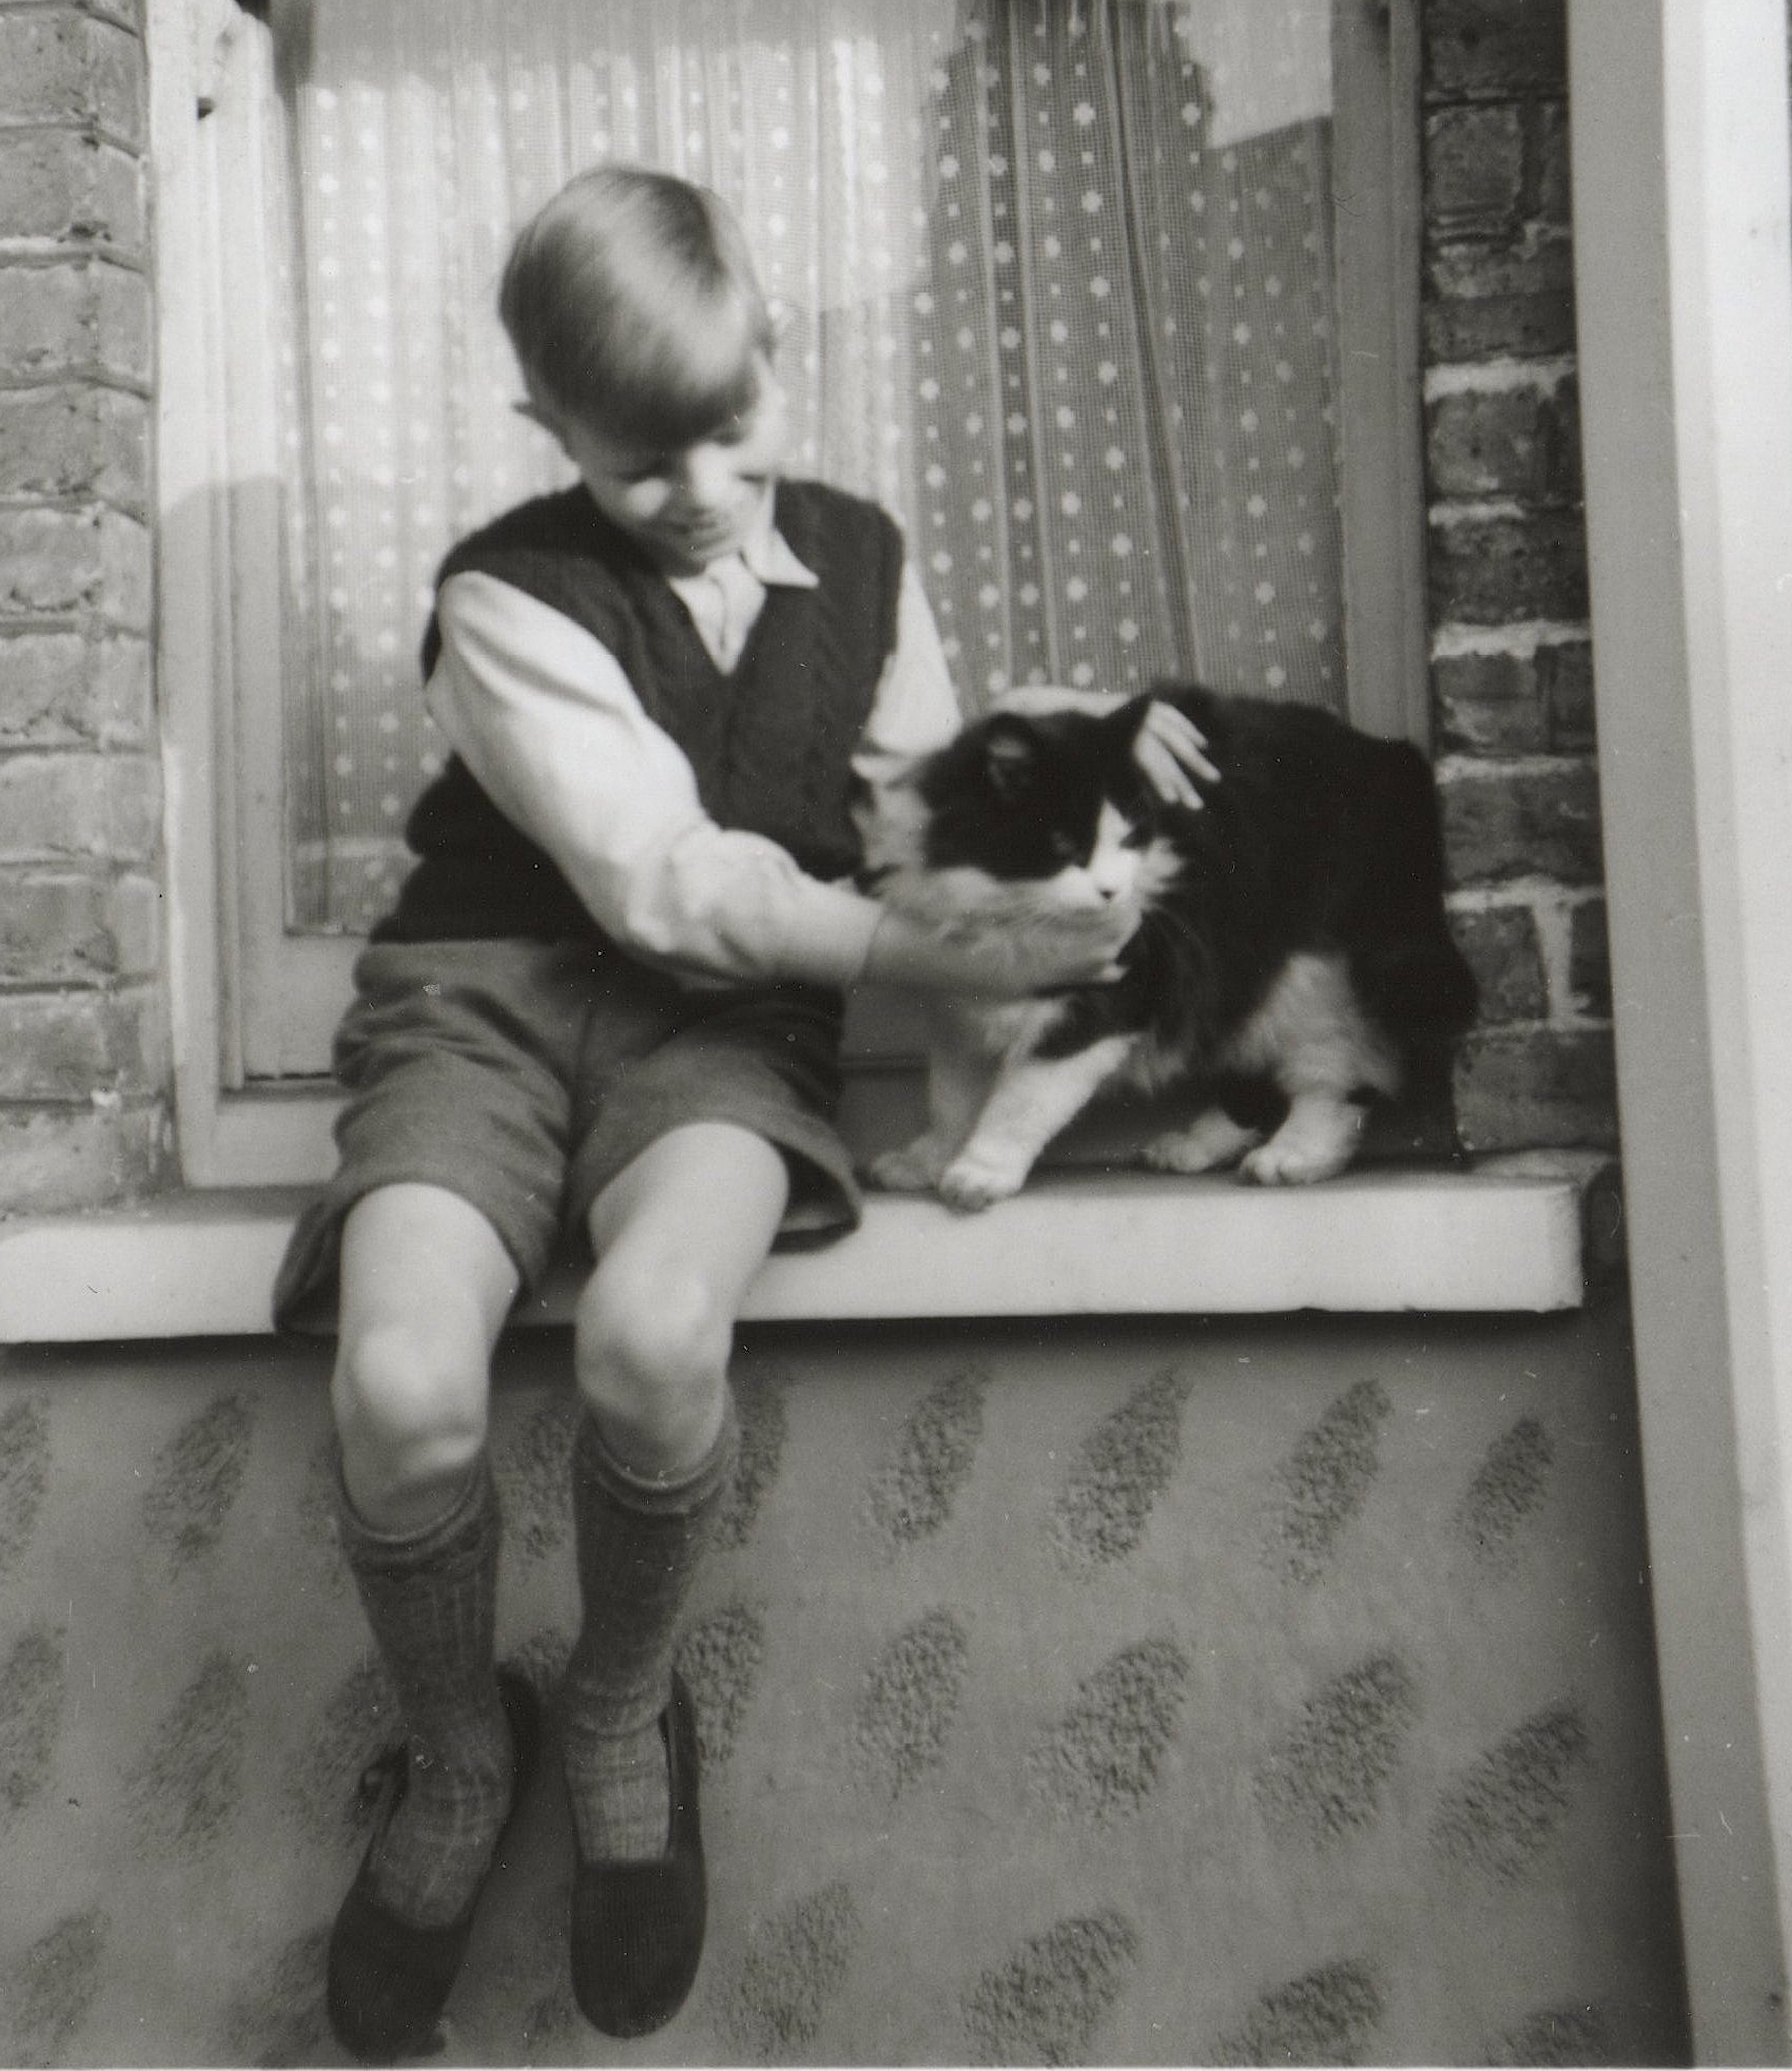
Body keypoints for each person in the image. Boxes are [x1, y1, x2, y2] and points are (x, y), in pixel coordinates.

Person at [272, 163, 1217, 2061]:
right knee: (401, 1386)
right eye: (639, 465)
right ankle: (464, 1751)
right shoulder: (503, 597)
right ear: (553, 435)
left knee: (652, 1331)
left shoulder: (864, 560)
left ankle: (623, 1702)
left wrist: (1112, 744)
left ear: (778, 355)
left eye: (729, 428)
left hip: (719, 1043)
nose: (698, 487)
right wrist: (938, 964)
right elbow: (667, 883)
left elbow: (917, 801)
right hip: (484, 1006)